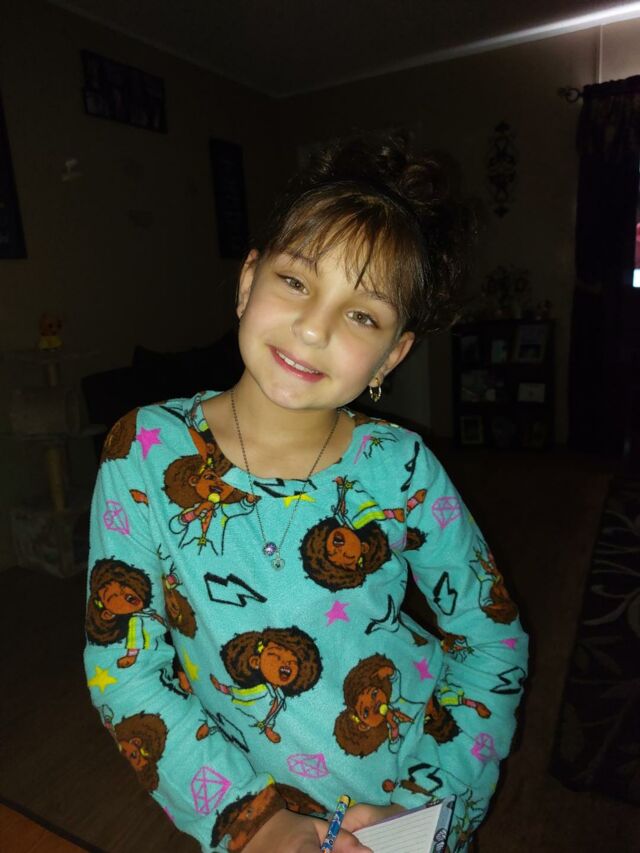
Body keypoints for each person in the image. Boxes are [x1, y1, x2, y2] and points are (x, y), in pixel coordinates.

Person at [84, 134, 528, 853]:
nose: (314, 327)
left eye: (363, 315)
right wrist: (254, 823)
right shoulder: (141, 451)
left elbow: (491, 637)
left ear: (393, 354)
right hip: (249, 817)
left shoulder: (402, 467)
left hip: (406, 807)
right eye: (296, 281)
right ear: (247, 280)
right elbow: (125, 670)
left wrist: (427, 806)